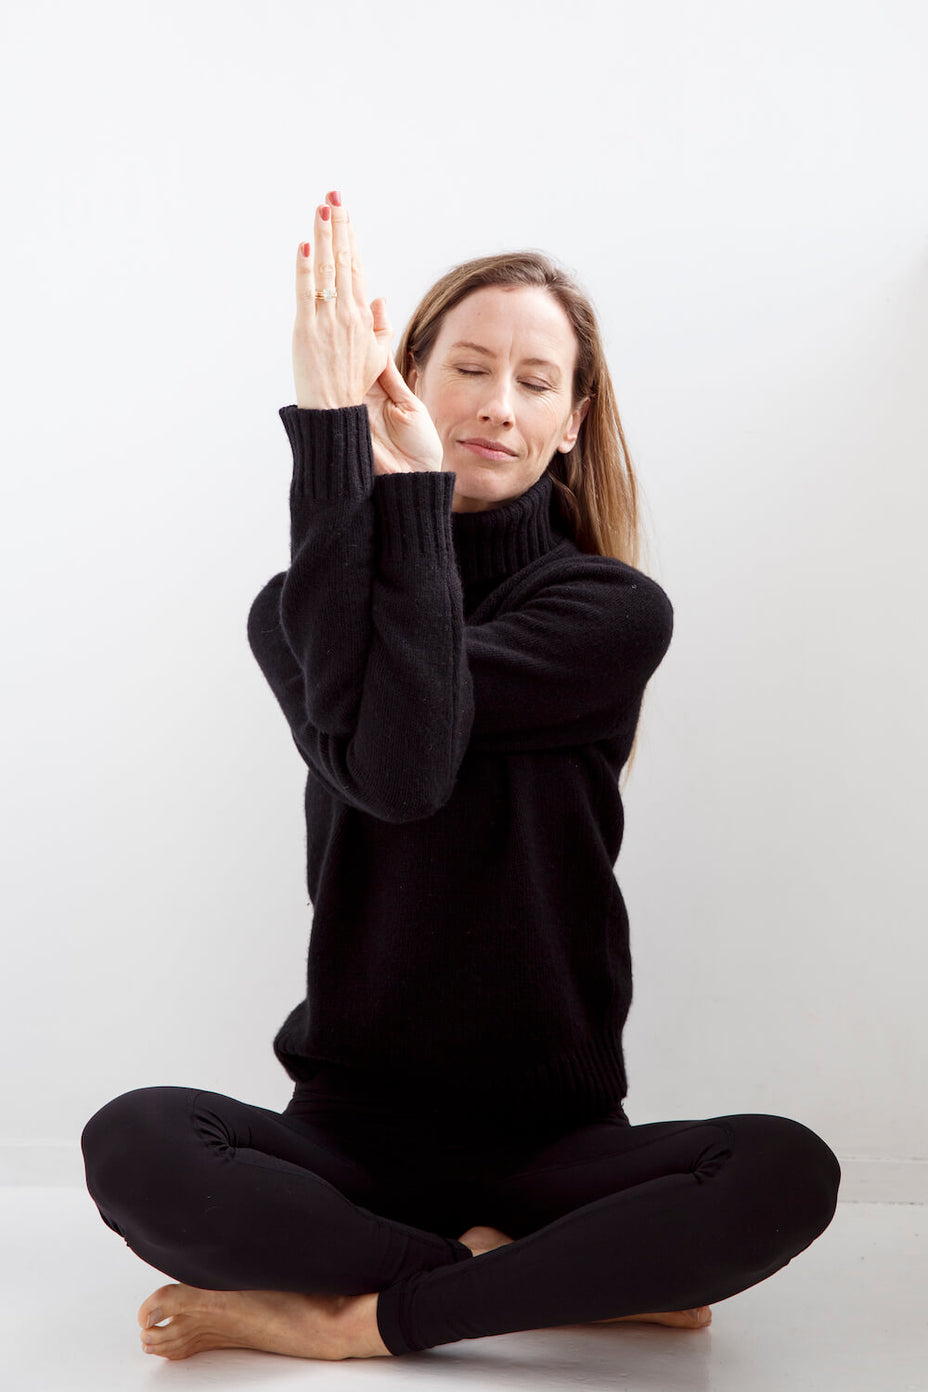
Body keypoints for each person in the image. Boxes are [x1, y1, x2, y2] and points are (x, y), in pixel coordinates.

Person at [80, 189, 842, 1363]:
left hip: (550, 1140)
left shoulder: (606, 611)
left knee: (785, 1169)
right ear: (409, 382)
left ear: (574, 421)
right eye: (470, 368)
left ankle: (365, 1317)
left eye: (535, 382)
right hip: (350, 1130)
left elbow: (409, 735)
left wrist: (403, 501)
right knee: (134, 1142)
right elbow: (399, 770)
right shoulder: (295, 619)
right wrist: (344, 439)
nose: (496, 404)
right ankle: (550, 1285)